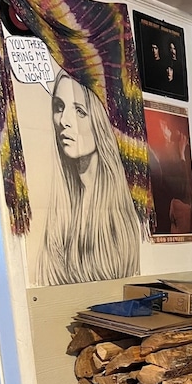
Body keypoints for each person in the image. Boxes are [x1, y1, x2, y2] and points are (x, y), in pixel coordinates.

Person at [38, 70, 140, 285]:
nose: (64, 121)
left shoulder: (118, 211)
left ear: (101, 122)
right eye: (59, 107)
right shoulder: (60, 209)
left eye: (79, 111)